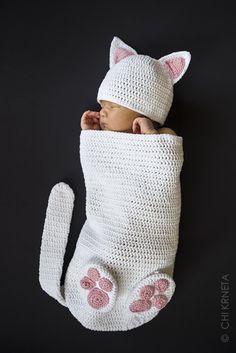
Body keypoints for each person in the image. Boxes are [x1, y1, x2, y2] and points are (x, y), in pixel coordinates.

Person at [80, 100, 177, 135]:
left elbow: (166, 161)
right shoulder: (106, 136)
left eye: (112, 106)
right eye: (102, 107)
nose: (102, 113)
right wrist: (91, 133)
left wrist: (150, 135)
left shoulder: (164, 134)